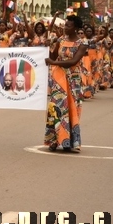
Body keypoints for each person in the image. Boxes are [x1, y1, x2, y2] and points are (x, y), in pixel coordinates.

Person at [44, 14, 88, 152]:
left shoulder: (82, 44)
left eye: (68, 26)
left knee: (72, 109)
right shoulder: (61, 40)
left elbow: (72, 62)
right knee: (56, 108)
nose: (65, 28)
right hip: (59, 80)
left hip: (73, 81)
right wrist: (49, 47)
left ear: (75, 27)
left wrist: (54, 63)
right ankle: (54, 140)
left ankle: (70, 142)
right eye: (65, 25)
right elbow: (52, 56)